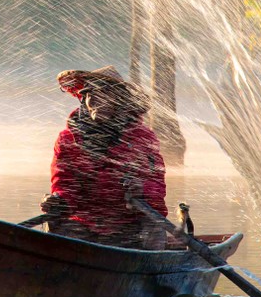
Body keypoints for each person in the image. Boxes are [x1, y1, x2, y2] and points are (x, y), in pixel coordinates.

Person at [41, 68, 167, 248]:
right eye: (89, 93)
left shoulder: (142, 138)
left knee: (153, 230)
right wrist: (58, 199)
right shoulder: (68, 139)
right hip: (85, 223)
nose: (94, 99)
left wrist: (141, 191)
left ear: (120, 99)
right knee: (57, 229)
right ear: (83, 99)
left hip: (130, 224)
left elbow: (157, 187)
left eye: (104, 92)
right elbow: (64, 183)